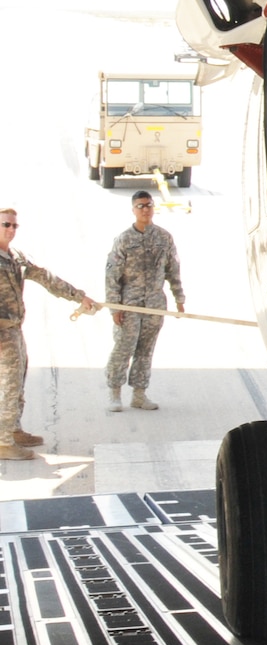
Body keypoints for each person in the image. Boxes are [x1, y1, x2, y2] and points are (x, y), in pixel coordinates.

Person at [0, 207, 97, 459]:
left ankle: (13, 430)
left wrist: (79, 296)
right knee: (7, 386)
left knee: (17, 383)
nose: (10, 230)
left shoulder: (16, 257)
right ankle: (2, 443)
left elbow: (46, 277)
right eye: (5, 225)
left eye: (14, 226)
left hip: (13, 330)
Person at [103, 191, 184, 413]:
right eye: (140, 206)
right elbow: (112, 276)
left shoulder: (164, 238)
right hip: (129, 302)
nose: (145, 210)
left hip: (155, 302)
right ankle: (114, 393)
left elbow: (173, 270)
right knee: (124, 346)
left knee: (146, 350)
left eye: (148, 205)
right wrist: (114, 307)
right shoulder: (124, 239)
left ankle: (139, 394)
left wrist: (179, 299)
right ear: (133, 210)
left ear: (153, 207)